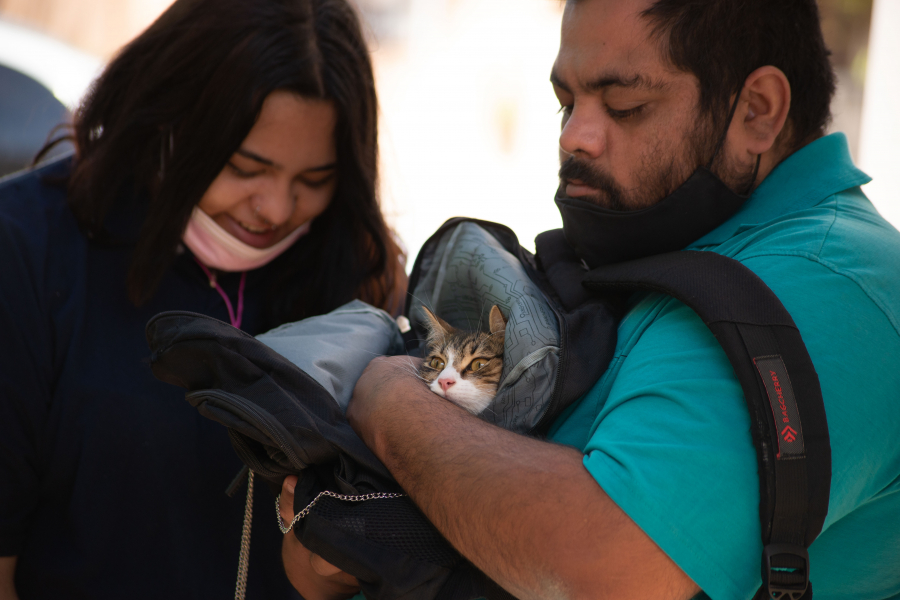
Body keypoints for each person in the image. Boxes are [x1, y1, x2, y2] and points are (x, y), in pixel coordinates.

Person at [281, 0, 900, 599]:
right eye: (566, 101)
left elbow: (601, 569)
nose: (576, 135)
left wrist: (387, 400)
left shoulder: (825, 282)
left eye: (625, 105)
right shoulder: (676, 240)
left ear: (758, 112)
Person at [0, 0, 406, 598]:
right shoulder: (27, 248)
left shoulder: (357, 279)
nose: (274, 209)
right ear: (169, 116)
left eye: (313, 181)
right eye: (245, 167)